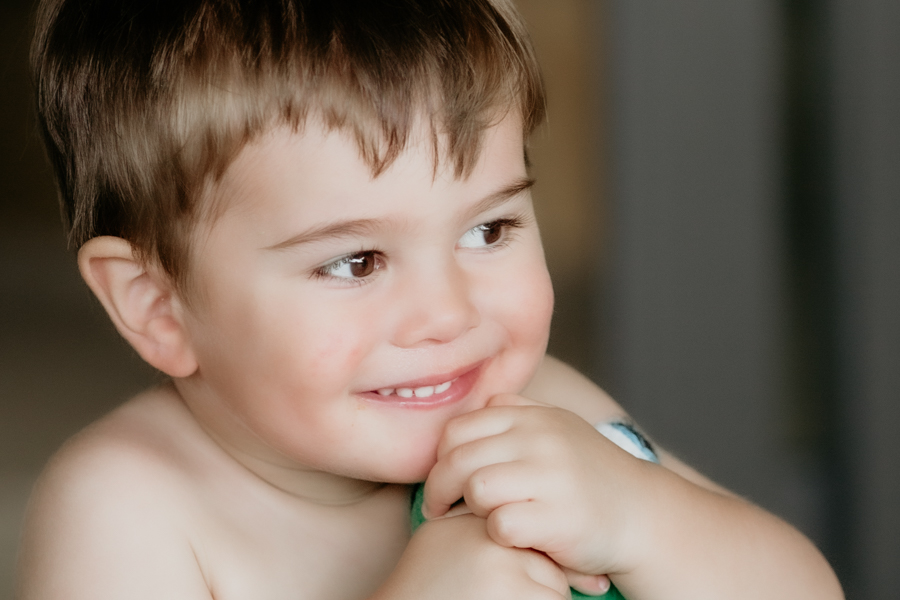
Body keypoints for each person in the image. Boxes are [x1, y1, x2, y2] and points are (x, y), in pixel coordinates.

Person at [17, 0, 843, 598]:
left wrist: (643, 519)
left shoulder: (532, 408)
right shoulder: (127, 508)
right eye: (356, 262)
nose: (450, 315)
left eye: (488, 230)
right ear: (156, 306)